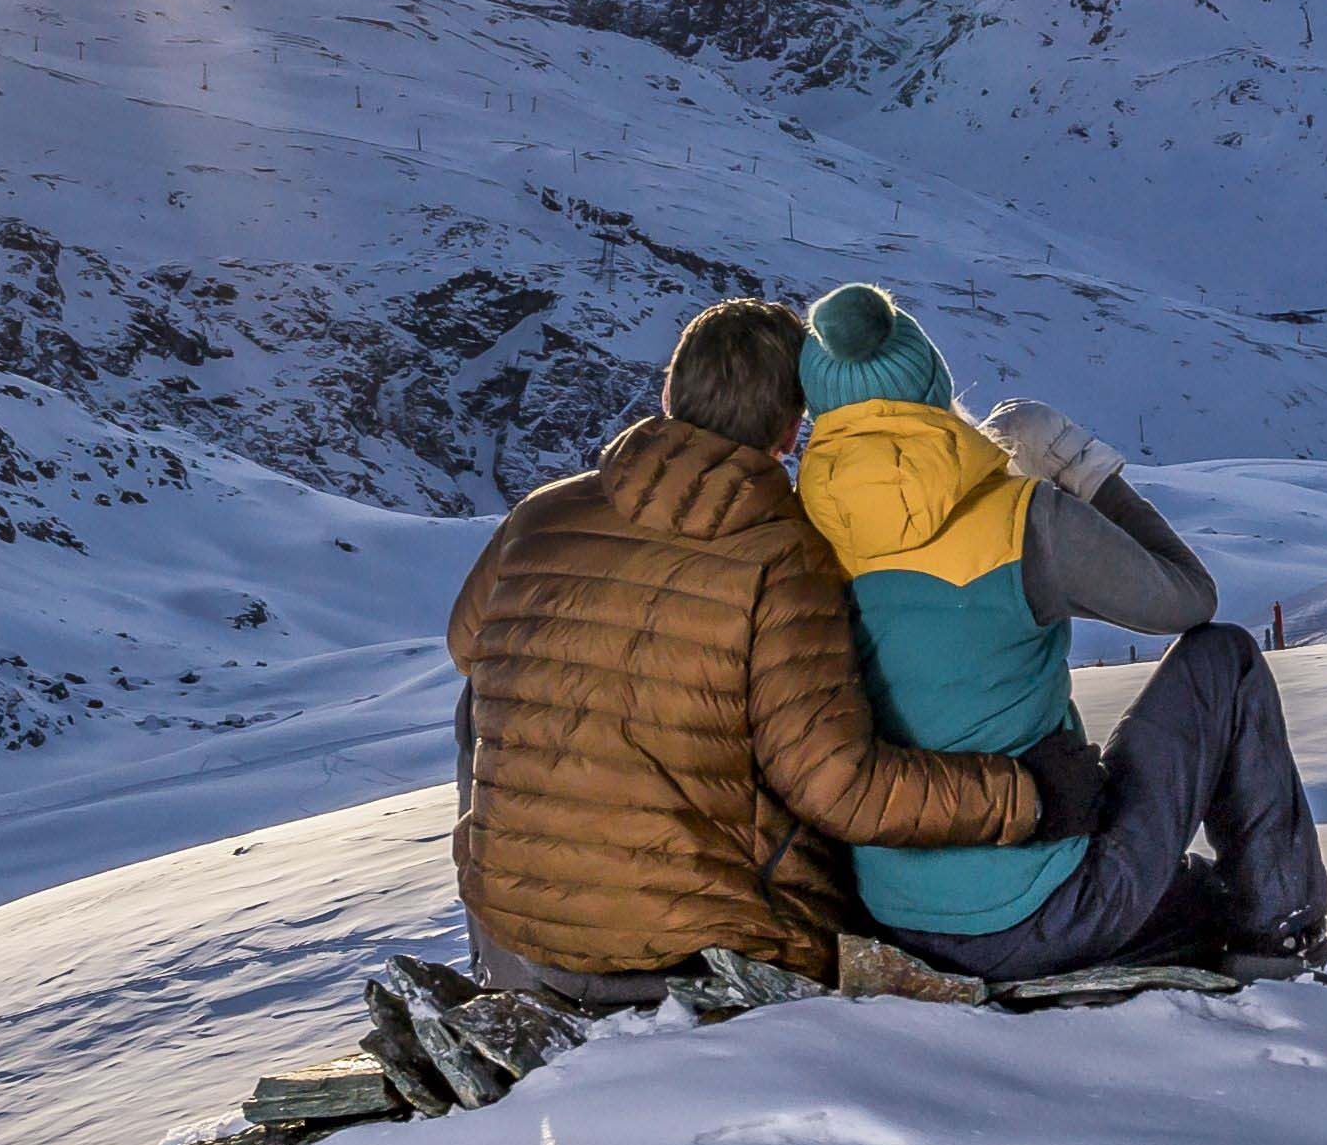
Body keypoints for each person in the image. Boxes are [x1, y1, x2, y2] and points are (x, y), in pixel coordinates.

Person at [443, 296, 1065, 1005]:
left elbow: (468, 646)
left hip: (523, 922)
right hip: (701, 942)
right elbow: (839, 787)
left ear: (671, 393)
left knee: (491, 692)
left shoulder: (543, 513)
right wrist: (1024, 795)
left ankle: (507, 968)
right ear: (792, 427)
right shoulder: (785, 554)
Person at [780, 281, 1327, 986]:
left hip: (897, 917)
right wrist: (1084, 470)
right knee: (1222, 661)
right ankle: (1287, 943)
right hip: (1044, 905)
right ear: (933, 379)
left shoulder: (797, 535)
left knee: (1193, 893)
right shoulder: (1021, 519)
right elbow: (1187, 599)